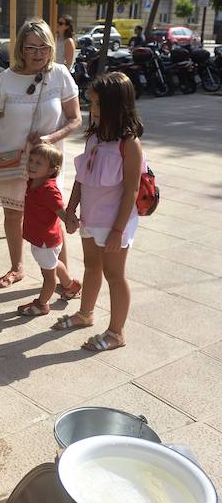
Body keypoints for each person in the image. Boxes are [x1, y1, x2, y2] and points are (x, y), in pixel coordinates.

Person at [0, 18, 81, 289]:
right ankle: (17, 268)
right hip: (9, 159)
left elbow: (75, 119)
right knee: (13, 214)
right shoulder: (5, 80)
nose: (38, 54)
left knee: (52, 215)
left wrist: (50, 138)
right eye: (31, 47)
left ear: (51, 48)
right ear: (21, 48)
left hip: (46, 164)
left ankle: (63, 276)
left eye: (44, 47)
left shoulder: (59, 75)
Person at [53, 71, 143, 352]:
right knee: (92, 266)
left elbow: (131, 191)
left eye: (99, 104)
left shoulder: (129, 144)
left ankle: (116, 332)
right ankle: (85, 314)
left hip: (115, 222)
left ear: (118, 106)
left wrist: (118, 230)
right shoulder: (94, 138)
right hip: (91, 217)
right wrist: (71, 209)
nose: (92, 109)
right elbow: (82, 178)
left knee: (114, 275)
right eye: (92, 102)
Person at [17, 143, 81, 316]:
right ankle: (70, 286)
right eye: (31, 160)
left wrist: (70, 222)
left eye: (38, 163)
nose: (32, 165)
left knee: (48, 276)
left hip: (45, 241)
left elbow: (62, 211)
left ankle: (42, 304)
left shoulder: (49, 189)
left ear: (52, 169)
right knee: (53, 264)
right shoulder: (33, 181)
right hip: (43, 239)